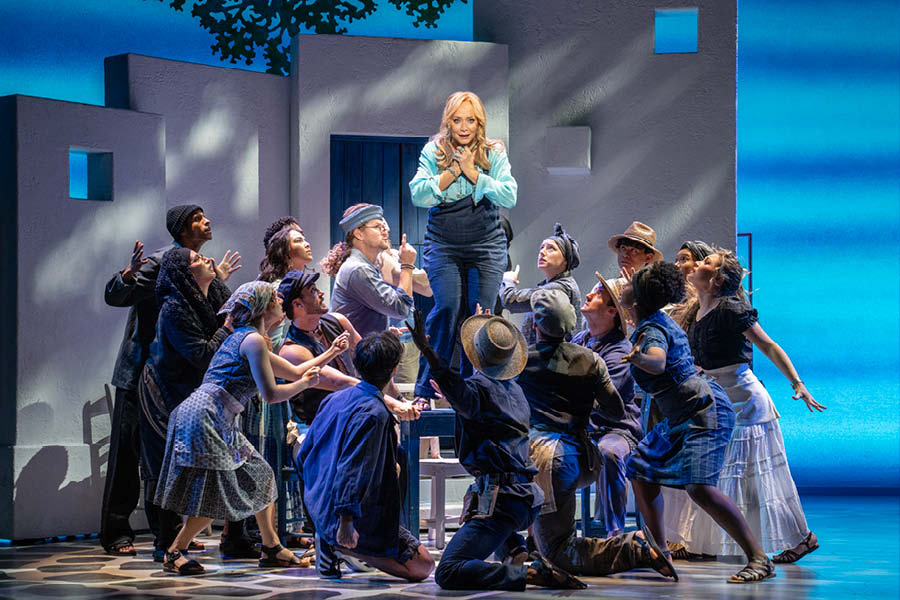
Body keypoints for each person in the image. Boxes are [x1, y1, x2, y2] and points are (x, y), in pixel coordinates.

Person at [154, 281, 349, 575]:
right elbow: (272, 394)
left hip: (218, 416)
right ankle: (175, 551)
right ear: (262, 308)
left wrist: (331, 352)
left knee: (261, 475)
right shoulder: (252, 341)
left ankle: (271, 547)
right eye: (275, 299)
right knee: (217, 492)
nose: (280, 302)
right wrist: (304, 385)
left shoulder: (249, 339)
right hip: (206, 416)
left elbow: (295, 371)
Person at [663, 249, 824, 563]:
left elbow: (768, 345)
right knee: (716, 473)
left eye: (706, 263)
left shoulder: (731, 309)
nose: (697, 264)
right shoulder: (697, 312)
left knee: (760, 478)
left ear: (717, 279)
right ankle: (705, 543)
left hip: (744, 402)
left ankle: (803, 538)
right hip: (715, 399)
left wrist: (797, 383)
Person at [619, 262, 775, 584]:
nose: (623, 286)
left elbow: (657, 361)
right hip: (682, 415)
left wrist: (639, 358)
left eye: (631, 284)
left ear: (640, 297)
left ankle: (760, 559)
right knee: (640, 469)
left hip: (703, 411)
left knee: (699, 487)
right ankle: (660, 551)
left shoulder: (652, 330)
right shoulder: (651, 320)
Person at [407, 309, 585, 591]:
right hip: (526, 497)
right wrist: (457, 397)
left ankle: (526, 573)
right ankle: (516, 550)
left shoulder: (477, 392)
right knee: (492, 524)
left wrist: (428, 351)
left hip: (503, 500)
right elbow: (481, 409)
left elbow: (469, 396)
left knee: (449, 571)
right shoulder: (514, 391)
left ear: (474, 353)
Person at [102, 204, 239, 557]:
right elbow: (116, 296)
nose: (207, 221)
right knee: (130, 454)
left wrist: (217, 282)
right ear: (182, 229)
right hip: (140, 370)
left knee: (165, 454)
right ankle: (116, 531)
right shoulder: (164, 261)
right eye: (197, 219)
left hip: (171, 373)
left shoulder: (199, 266)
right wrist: (128, 275)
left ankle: (172, 533)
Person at [517, 289, 675, 579]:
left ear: (536, 324)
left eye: (598, 294)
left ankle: (629, 544)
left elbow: (616, 415)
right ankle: (528, 545)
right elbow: (612, 406)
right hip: (579, 450)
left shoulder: (525, 360)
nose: (590, 295)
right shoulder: (587, 353)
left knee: (558, 553)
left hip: (568, 451)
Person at [409, 90, 518, 406]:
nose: (464, 127)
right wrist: (454, 172)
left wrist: (473, 173)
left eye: (471, 120)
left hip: (486, 243)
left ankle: (478, 390)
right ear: (448, 121)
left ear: (480, 122)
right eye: (457, 120)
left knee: (480, 313)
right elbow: (418, 194)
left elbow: (508, 195)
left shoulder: (493, 152)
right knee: (447, 308)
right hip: (444, 242)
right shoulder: (434, 151)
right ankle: (426, 388)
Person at [298, 331, 433, 581]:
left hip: (319, 503)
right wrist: (346, 522)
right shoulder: (374, 414)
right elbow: (352, 469)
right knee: (423, 566)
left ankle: (331, 538)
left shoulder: (334, 399)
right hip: (345, 514)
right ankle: (336, 545)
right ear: (394, 370)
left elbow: (305, 454)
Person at [138, 247, 237, 560]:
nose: (206, 259)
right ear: (185, 274)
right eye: (196, 259)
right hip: (163, 391)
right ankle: (166, 542)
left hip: (190, 390)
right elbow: (202, 354)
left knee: (193, 464)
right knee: (166, 464)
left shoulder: (211, 295)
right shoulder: (174, 307)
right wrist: (227, 329)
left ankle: (183, 538)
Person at [571, 273, 643, 537]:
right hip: (582, 428)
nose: (589, 295)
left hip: (616, 429)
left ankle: (615, 534)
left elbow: (598, 398)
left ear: (612, 310)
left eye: (598, 293)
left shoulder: (620, 351)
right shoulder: (580, 341)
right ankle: (547, 535)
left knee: (608, 452)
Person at [321, 203, 416, 338]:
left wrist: (383, 333)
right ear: (358, 233)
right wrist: (407, 265)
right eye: (377, 227)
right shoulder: (359, 270)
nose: (386, 231)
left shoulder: (362, 266)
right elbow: (402, 308)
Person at [500, 223, 584, 345]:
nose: (542, 252)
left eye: (551, 248)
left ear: (566, 260)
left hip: (554, 356)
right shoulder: (555, 284)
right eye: (542, 247)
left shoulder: (559, 288)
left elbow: (510, 300)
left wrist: (508, 281)